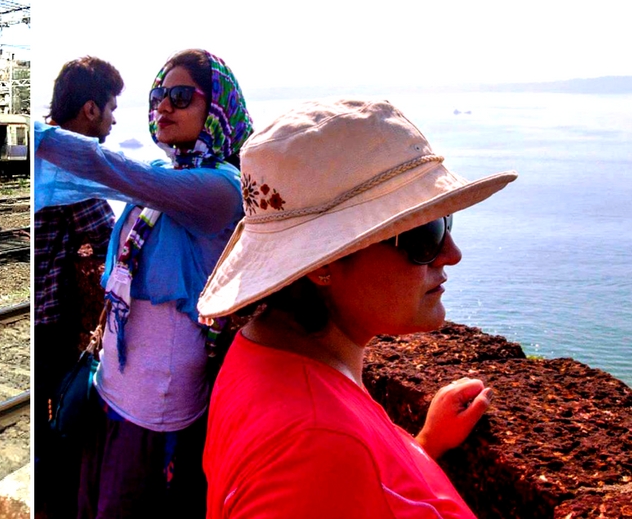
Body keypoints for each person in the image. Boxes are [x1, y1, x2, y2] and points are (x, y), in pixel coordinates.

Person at [197, 98, 517, 518]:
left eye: (445, 222)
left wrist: (420, 449)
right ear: (324, 263)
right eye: (424, 233)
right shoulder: (317, 446)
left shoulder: (266, 359)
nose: (451, 254)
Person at [35, 49, 253, 518]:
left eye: (180, 96)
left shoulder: (219, 189)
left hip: (158, 401)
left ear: (216, 107)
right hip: (113, 389)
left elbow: (113, 172)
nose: (163, 107)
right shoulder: (163, 179)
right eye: (158, 96)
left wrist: (27, 138)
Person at [34, 56, 124, 519]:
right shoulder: (71, 161)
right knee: (60, 428)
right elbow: (110, 236)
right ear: (90, 108)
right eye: (111, 108)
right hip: (48, 324)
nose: (113, 120)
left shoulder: (41, 147)